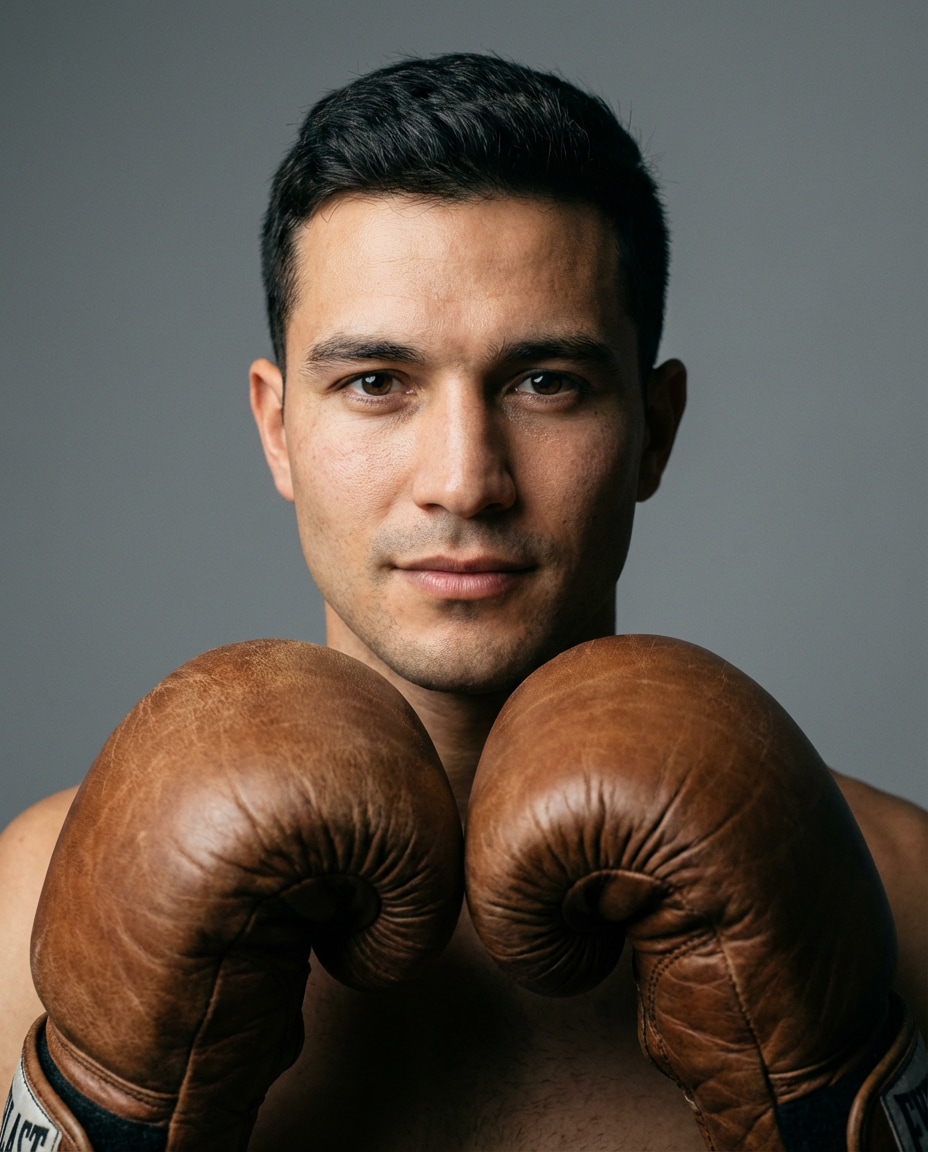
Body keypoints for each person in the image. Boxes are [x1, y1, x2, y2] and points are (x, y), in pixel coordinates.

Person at [0, 53, 924, 1151]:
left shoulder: (902, 896)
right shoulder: (33, 904)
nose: (464, 480)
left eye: (545, 383)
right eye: (375, 383)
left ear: (655, 430)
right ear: (278, 428)